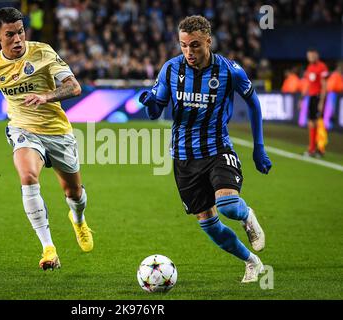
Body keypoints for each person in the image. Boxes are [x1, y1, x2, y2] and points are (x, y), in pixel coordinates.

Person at [0, 7, 93, 270]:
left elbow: (74, 87)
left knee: (74, 193)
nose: (18, 39)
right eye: (10, 34)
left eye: (20, 32)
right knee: (28, 176)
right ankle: (48, 248)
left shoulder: (42, 51)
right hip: (23, 129)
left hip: (57, 131)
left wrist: (46, 96)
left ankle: (78, 220)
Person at [139, 15, 272, 283]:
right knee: (209, 224)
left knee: (229, 206)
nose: (189, 51)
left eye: (195, 45)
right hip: (183, 158)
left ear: (209, 41)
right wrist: (150, 102)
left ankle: (248, 217)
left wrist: (259, 147)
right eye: (184, 45)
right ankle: (251, 261)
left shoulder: (229, 71)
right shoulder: (170, 69)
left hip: (217, 149)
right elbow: (156, 111)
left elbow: (255, 104)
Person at [299, 48, 328, 157]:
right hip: (311, 98)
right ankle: (312, 148)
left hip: (318, 97)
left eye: (312, 55)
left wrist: (322, 101)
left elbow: (324, 85)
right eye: (309, 56)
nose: (310, 57)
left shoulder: (322, 67)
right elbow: (307, 84)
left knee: (319, 123)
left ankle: (321, 149)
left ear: (316, 55)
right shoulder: (310, 67)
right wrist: (302, 98)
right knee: (311, 123)